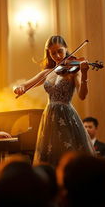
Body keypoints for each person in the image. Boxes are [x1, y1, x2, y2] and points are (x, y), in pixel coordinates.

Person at [14, 35, 94, 166]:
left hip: (66, 115)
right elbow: (24, 85)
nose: (57, 56)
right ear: (48, 54)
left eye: (60, 51)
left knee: (67, 155)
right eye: (53, 53)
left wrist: (84, 74)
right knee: (50, 156)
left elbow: (82, 95)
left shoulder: (74, 70)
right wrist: (18, 88)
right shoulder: (47, 73)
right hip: (49, 116)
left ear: (66, 49)